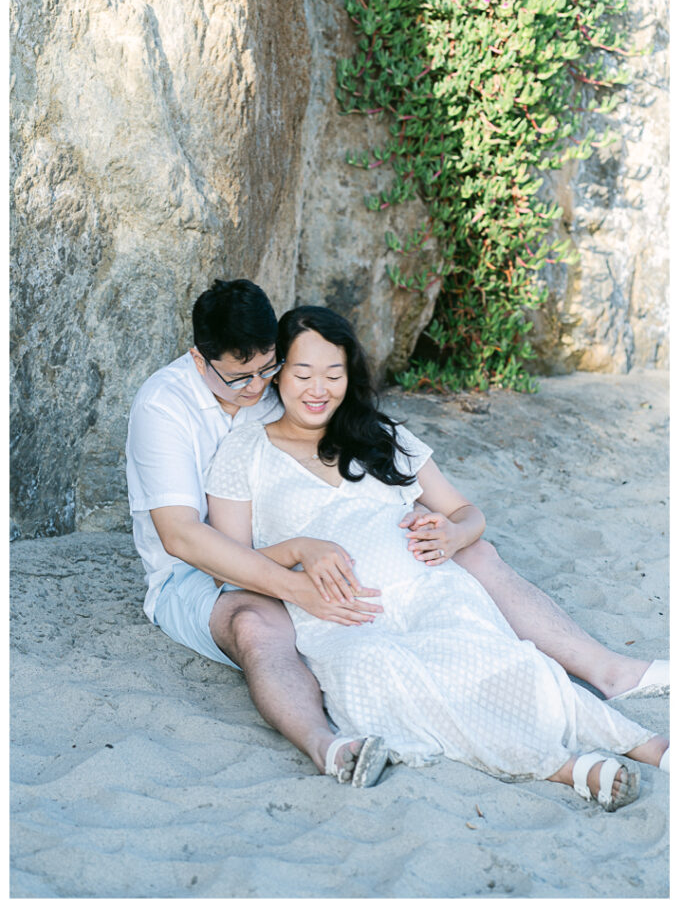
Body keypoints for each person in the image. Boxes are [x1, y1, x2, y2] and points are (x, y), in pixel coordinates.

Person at [126, 279, 668, 787]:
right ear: (200, 360)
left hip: (401, 585)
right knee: (262, 622)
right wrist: (295, 573)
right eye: (240, 378)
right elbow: (185, 539)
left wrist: (451, 535)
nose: (258, 389)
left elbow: (446, 501)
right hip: (198, 575)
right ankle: (328, 745)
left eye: (269, 370)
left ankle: (609, 673)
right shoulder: (167, 408)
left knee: (477, 568)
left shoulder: (298, 391)